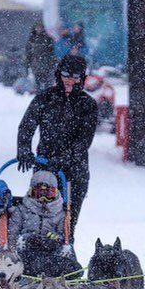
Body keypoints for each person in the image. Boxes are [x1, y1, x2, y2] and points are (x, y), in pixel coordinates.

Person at [17, 53, 97, 241]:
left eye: (76, 76)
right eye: (66, 74)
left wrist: (64, 159)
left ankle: (65, 254)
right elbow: (27, 125)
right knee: (40, 217)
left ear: (82, 79)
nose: (70, 80)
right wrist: (23, 149)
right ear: (58, 75)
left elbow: (84, 141)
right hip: (45, 168)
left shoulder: (88, 104)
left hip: (75, 171)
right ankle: (37, 255)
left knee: (67, 222)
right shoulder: (45, 98)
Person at [7, 170, 81, 278]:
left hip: (51, 255)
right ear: (32, 192)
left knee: (68, 259)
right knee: (26, 258)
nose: (43, 198)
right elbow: (12, 235)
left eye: (48, 193)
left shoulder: (60, 213)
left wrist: (52, 240)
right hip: (27, 254)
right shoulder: (21, 210)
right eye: (39, 193)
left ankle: (67, 278)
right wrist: (28, 238)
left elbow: (63, 239)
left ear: (55, 193)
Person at [26, 22, 56, 93]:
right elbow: (28, 53)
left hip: (47, 65)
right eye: (37, 27)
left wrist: (52, 63)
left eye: (40, 27)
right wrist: (27, 64)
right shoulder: (31, 39)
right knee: (37, 84)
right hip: (35, 65)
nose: (39, 29)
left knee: (48, 85)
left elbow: (52, 52)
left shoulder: (48, 39)